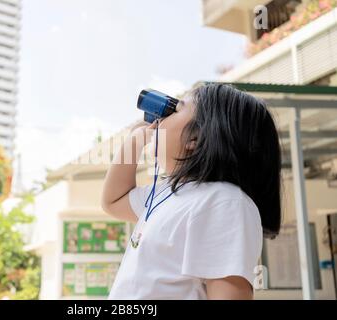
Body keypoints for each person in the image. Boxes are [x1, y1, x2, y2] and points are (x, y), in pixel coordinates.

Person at [101, 83, 282, 300]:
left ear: (194, 139)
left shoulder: (224, 202)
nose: (160, 119)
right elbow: (113, 200)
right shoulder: (167, 193)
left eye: (175, 109)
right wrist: (134, 141)